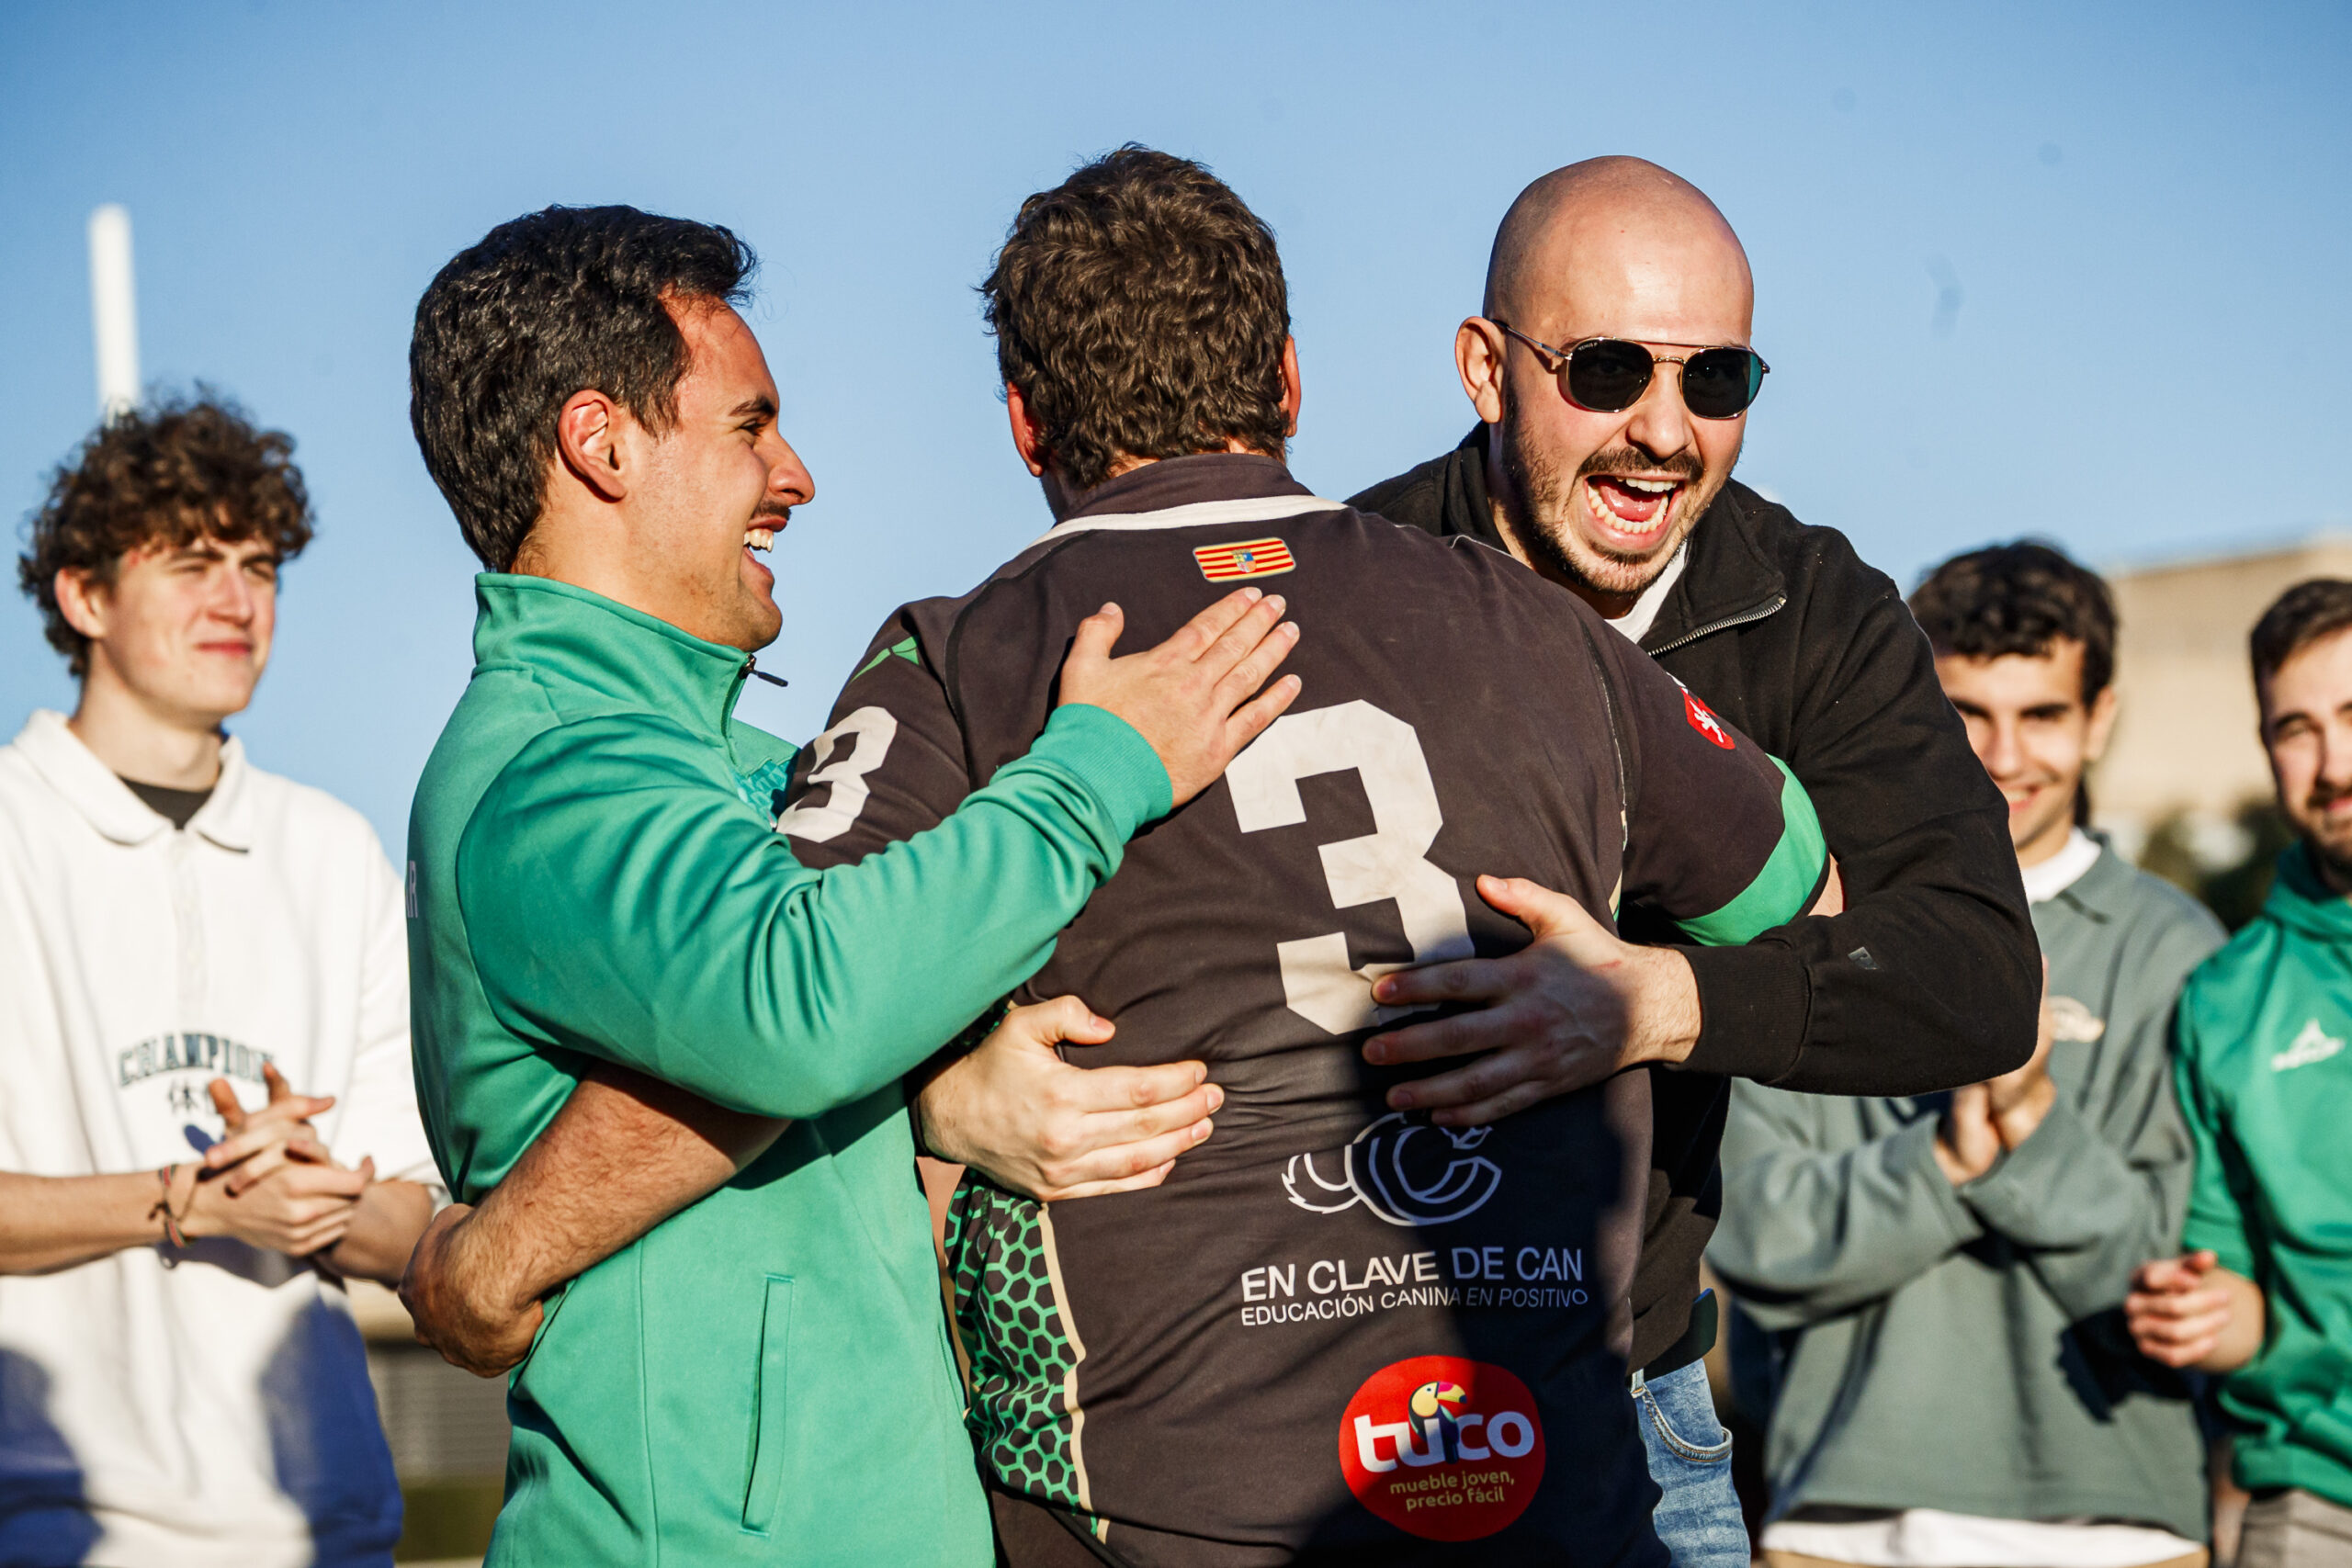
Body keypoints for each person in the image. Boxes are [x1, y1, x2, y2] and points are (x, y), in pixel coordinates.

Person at [414, 147, 1838, 1564]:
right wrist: (1644, 986)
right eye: (752, 424)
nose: (795, 470)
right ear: (1287, 379)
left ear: (1028, 425)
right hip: (1541, 1488)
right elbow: (1807, 897)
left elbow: (814, 983)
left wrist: (501, 1249)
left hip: (1150, 1506)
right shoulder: (1545, 631)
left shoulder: (963, 656)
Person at [400, 203, 1303, 1566]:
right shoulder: (552, 772)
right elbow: (798, 998)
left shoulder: (722, 762)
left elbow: (834, 1004)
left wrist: (944, 1080)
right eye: (750, 425)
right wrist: (1102, 766)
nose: (798, 474)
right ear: (600, 443)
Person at [1346, 156, 2041, 1562]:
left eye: (1715, 380)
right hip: (1326, 1392)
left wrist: (1658, 1002)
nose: (1665, 432)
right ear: (1487, 366)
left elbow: (1975, 973)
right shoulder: (1345, 567)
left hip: (1637, 1405)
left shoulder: (1813, 608)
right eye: (1606, 370)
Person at [1712, 543, 2222, 1568]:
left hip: (2124, 1525)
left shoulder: (2179, 950)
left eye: (2042, 715)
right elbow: (1754, 1241)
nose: (2003, 755)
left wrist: (2029, 1122)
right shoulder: (1807, 923)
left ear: (2102, 717)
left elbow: (2172, 1278)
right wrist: (1947, 1157)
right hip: (1838, 1523)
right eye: (1966, 714)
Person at [0, 397, 442, 1567]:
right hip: (52, 1529)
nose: (237, 601)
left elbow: (414, 1224)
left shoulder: (331, 848)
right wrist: (188, 1198)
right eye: (192, 562)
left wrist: (322, 1200)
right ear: (83, 596)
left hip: (327, 1528)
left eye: (259, 566)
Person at [2127, 580, 2352, 1568]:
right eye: (2295, 729)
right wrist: (2199, 1315)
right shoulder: (2225, 999)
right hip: (2309, 1503)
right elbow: (2244, 1300)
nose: (2333, 764)